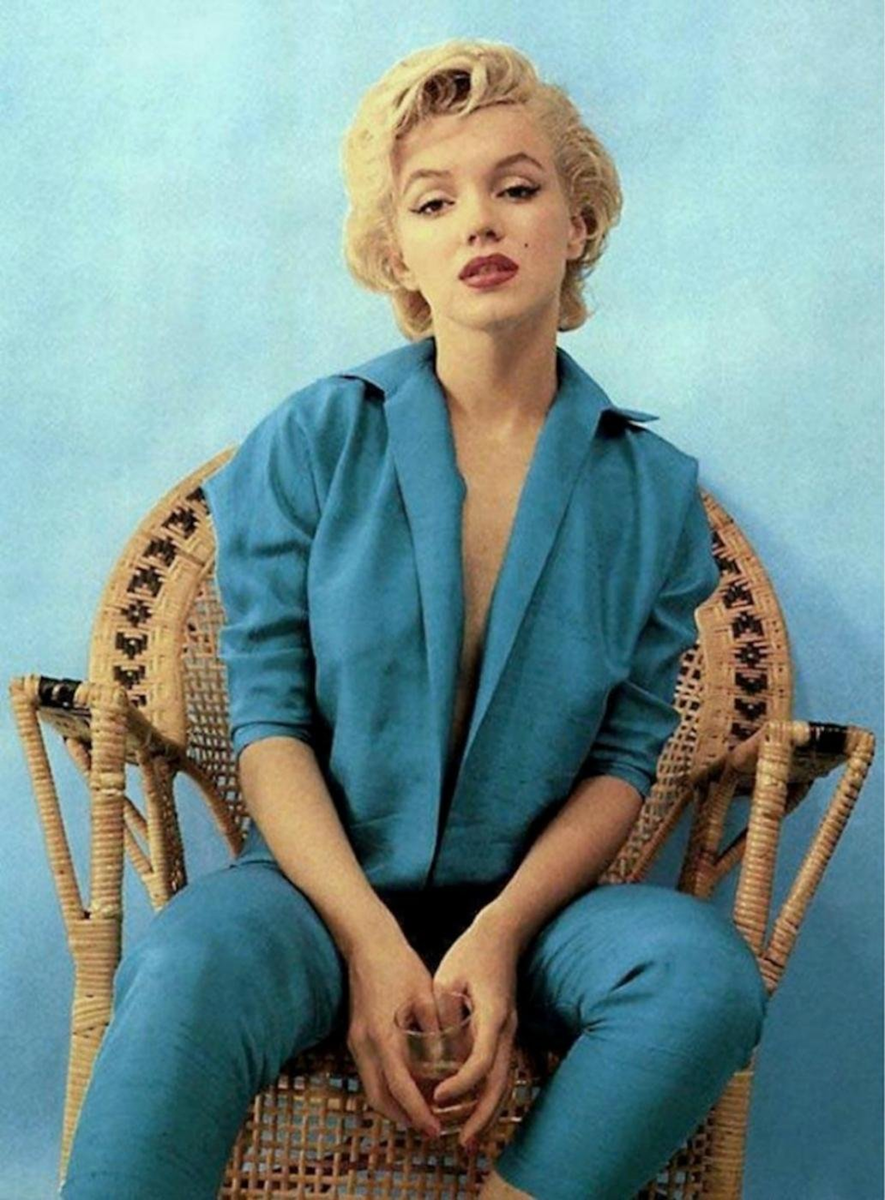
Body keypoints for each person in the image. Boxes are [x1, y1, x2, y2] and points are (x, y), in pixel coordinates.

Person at [60, 37, 769, 1200]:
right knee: (187, 964)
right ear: (398, 252)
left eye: (517, 188)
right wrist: (366, 940)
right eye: (434, 202)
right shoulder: (312, 440)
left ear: (579, 222)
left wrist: (499, 933)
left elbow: (623, 763)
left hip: (538, 920)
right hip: (308, 896)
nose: (479, 221)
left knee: (704, 978)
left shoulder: (652, 493)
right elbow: (271, 726)